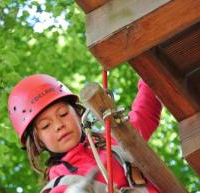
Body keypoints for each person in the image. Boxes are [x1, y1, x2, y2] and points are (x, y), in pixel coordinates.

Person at [8, 74, 162, 193]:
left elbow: (145, 111)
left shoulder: (114, 140)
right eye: (46, 125)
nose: (59, 125)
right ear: (38, 141)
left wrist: (149, 65)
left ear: (77, 112)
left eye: (63, 114)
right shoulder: (61, 183)